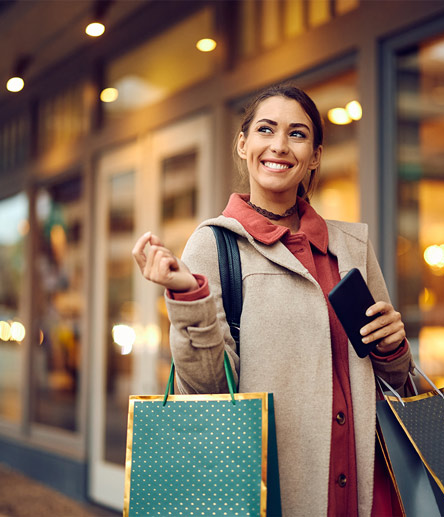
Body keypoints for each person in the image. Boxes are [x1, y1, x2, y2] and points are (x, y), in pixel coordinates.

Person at [132, 84, 412, 516]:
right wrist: (188, 296)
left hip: (363, 486)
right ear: (243, 145)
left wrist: (393, 347)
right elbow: (206, 388)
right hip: (273, 489)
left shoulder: (353, 246)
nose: (280, 146)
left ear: (315, 155)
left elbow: (393, 381)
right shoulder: (214, 243)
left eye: (297, 134)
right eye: (266, 130)